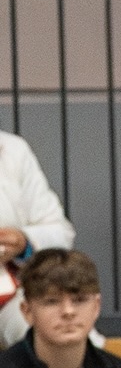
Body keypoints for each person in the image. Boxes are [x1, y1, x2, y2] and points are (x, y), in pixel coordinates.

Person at [0, 129, 77, 346]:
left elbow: (60, 232)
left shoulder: (12, 150)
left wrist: (23, 242)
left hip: (10, 293)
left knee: (54, 335)